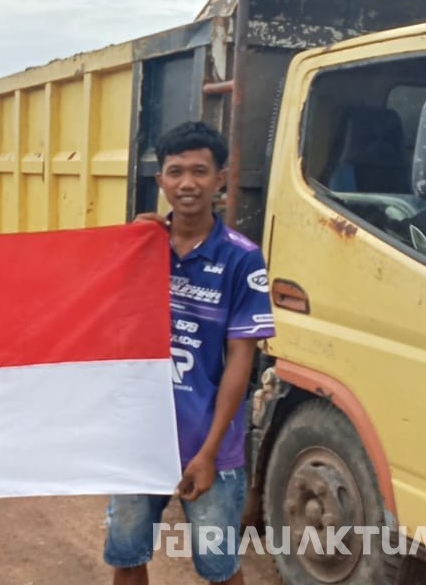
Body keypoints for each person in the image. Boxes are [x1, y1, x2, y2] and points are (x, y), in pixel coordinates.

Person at [104, 121, 276, 585]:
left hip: (208, 446)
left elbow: (241, 360)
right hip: (138, 439)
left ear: (220, 178)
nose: (187, 183)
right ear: (160, 180)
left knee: (219, 566)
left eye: (200, 171)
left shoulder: (241, 258)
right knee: (127, 553)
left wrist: (209, 451)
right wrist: (128, 246)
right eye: (175, 171)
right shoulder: (141, 248)